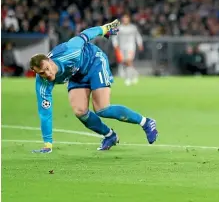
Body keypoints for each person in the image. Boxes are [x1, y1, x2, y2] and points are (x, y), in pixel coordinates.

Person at [29, 20, 158, 153]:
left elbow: (84, 35)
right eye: (42, 73)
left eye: (47, 68)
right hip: (76, 75)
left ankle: (146, 122)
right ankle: (110, 136)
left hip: (94, 62)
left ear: (49, 61)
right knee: (80, 111)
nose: (48, 74)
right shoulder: (42, 83)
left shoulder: (70, 51)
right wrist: (47, 144)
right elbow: (45, 113)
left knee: (102, 109)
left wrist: (104, 29)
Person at [111, 13, 144, 86]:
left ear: (129, 19)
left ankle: (128, 79)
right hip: (122, 48)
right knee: (124, 62)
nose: (125, 19)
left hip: (131, 47)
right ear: (122, 19)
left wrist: (140, 44)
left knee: (129, 61)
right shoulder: (119, 28)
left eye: (127, 18)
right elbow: (114, 37)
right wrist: (115, 45)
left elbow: (137, 36)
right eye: (124, 18)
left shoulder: (133, 27)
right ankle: (135, 74)